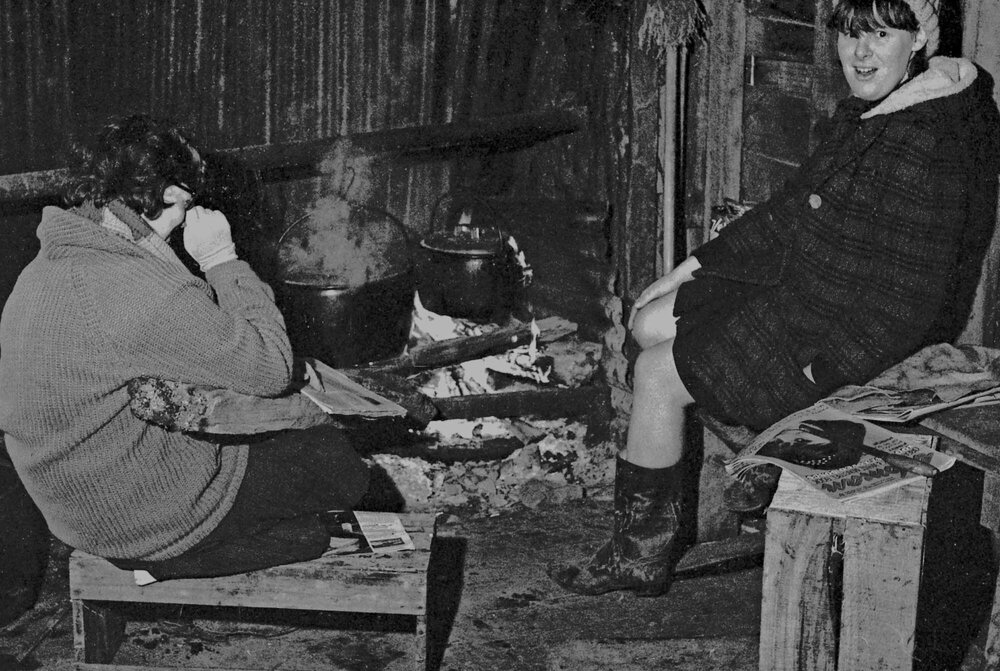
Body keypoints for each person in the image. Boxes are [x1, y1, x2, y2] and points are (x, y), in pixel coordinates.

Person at [549, 0, 1000, 597]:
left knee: (656, 373)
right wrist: (690, 267)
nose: (860, 53)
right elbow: (789, 209)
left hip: (839, 340)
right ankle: (701, 488)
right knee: (650, 318)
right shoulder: (885, 108)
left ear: (919, 37)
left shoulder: (927, 143)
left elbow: (907, 305)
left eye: (882, 35)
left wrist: (825, 370)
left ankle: (639, 556)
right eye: (850, 33)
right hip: (806, 298)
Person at [0, 114, 370, 580]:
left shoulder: (50, 263)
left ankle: (175, 549)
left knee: (274, 454)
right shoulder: (136, 288)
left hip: (72, 503)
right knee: (339, 465)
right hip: (134, 517)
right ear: (172, 194)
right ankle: (169, 558)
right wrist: (221, 258)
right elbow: (273, 367)